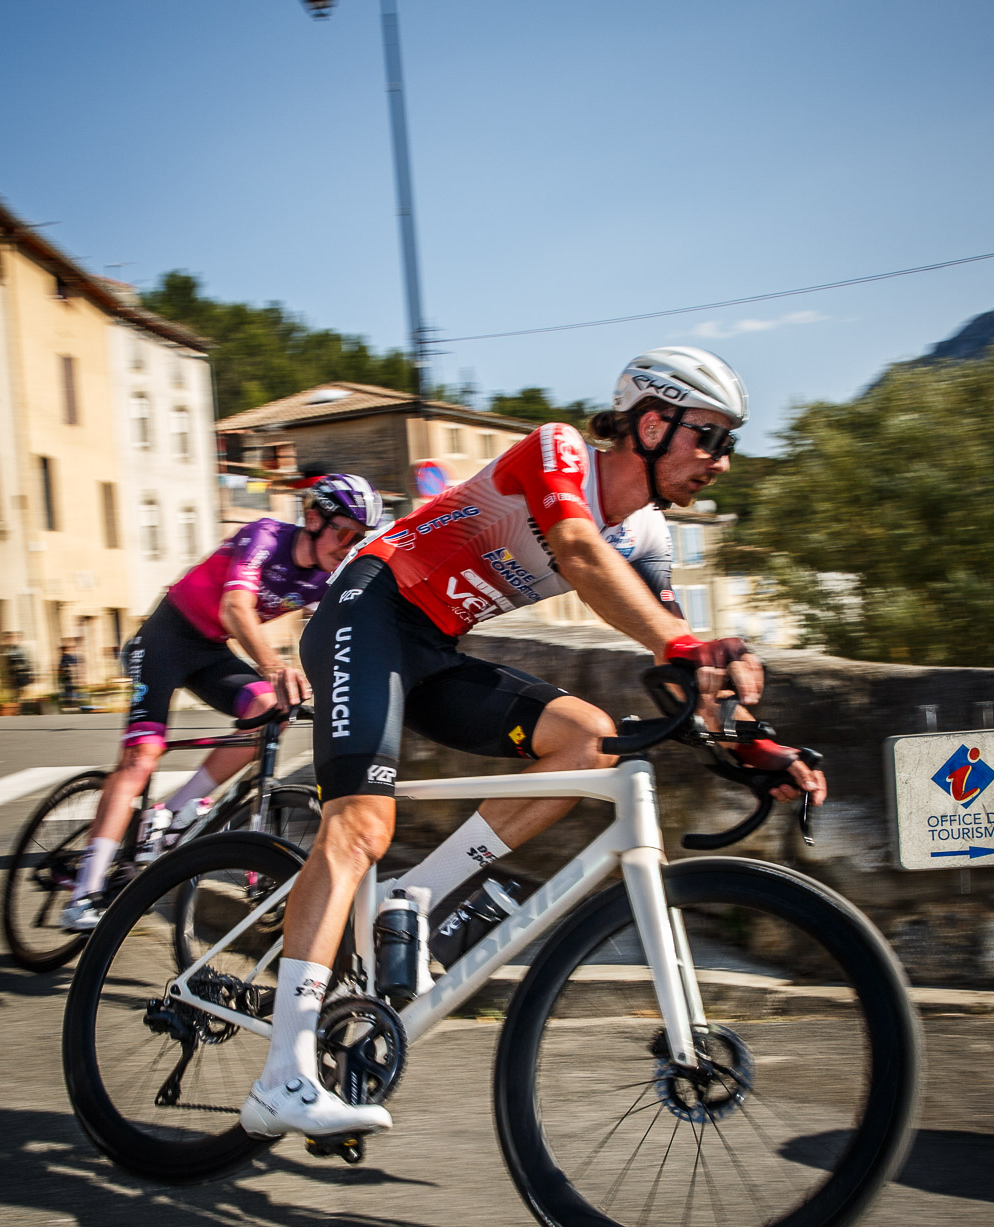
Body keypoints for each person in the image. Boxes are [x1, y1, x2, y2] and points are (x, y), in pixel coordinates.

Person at [240, 346, 828, 1143]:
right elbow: (581, 557)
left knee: (595, 741)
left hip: (438, 645)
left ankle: (417, 894)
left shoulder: (648, 535)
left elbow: (671, 647)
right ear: (651, 424)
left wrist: (754, 742)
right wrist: (691, 649)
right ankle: (282, 1077)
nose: (720, 462)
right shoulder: (556, 451)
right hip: (367, 611)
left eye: (729, 444)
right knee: (360, 824)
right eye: (710, 438)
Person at [60, 473, 384, 932]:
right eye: (346, 531)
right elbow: (236, 608)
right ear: (313, 518)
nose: (349, 544)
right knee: (141, 757)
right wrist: (274, 665)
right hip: (166, 637)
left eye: (360, 537)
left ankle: (169, 816)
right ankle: (83, 894)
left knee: (271, 711)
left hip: (210, 651)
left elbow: (339, 635)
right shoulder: (265, 536)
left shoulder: (324, 579)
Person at [2, 633, 33, 701]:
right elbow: (8, 663)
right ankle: (20, 701)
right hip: (14, 674)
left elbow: (26, 661)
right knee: (17, 691)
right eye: (8, 639)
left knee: (22, 690)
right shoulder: (9, 649)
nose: (9, 641)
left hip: (21, 672)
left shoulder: (20, 649)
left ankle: (24, 702)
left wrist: (29, 673)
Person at [57, 638, 81, 708]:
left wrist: (64, 669)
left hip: (67, 675)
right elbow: (61, 667)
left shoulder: (66, 656)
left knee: (69, 688)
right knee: (67, 688)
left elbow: (73, 663)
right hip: (65, 676)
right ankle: (68, 702)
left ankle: (70, 702)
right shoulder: (63, 656)